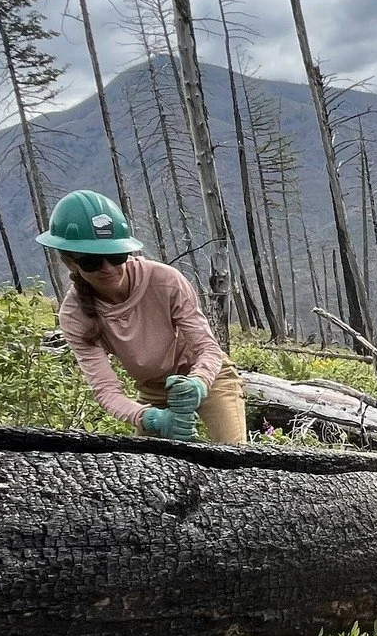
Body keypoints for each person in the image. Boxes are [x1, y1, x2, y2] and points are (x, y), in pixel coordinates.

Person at [36, 189, 246, 445]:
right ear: (70, 262)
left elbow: (208, 349)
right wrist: (150, 418)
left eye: (115, 256)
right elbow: (106, 391)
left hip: (210, 377)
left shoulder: (165, 281)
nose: (108, 268)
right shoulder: (75, 316)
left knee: (235, 455)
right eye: (92, 261)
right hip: (153, 392)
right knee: (148, 466)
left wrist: (199, 382)